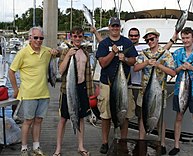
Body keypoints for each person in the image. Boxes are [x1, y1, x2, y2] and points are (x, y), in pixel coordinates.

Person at [8, 26, 59, 156]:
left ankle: (36, 146)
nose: (38, 40)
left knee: (38, 121)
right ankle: (24, 148)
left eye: (41, 38)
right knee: (28, 121)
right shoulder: (22, 53)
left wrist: (56, 52)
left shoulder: (46, 52)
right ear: (30, 38)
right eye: (35, 37)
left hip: (44, 93)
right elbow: (11, 72)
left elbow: (58, 53)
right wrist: (15, 89)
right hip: (29, 94)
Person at [96, 17, 138, 154]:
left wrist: (124, 59)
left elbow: (132, 60)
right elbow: (102, 63)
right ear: (109, 27)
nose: (115, 28)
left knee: (124, 113)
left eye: (117, 26)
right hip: (107, 84)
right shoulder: (104, 44)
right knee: (106, 115)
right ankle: (104, 142)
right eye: (113, 26)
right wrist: (113, 53)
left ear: (120, 27)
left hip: (124, 84)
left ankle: (123, 142)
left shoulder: (126, 42)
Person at [133, 28, 176, 155]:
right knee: (142, 117)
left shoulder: (166, 54)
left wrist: (159, 65)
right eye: (147, 40)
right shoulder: (144, 53)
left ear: (157, 38)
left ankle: (162, 143)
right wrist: (146, 62)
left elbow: (173, 72)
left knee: (159, 118)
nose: (150, 41)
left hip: (158, 93)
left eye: (152, 39)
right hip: (144, 92)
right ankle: (142, 142)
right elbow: (135, 68)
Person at [53, 27, 93, 156]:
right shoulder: (66, 52)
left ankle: (80, 146)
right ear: (71, 37)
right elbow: (60, 71)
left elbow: (88, 75)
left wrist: (90, 92)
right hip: (68, 89)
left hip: (81, 88)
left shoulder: (85, 53)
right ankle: (58, 149)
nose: (77, 39)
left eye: (80, 36)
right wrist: (69, 55)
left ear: (82, 37)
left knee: (80, 118)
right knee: (63, 118)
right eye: (75, 36)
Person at [168, 27, 193, 156]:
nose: (185, 40)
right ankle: (176, 146)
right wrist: (181, 67)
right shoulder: (177, 53)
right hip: (180, 91)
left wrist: (191, 68)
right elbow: (173, 72)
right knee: (179, 117)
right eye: (183, 38)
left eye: (187, 38)